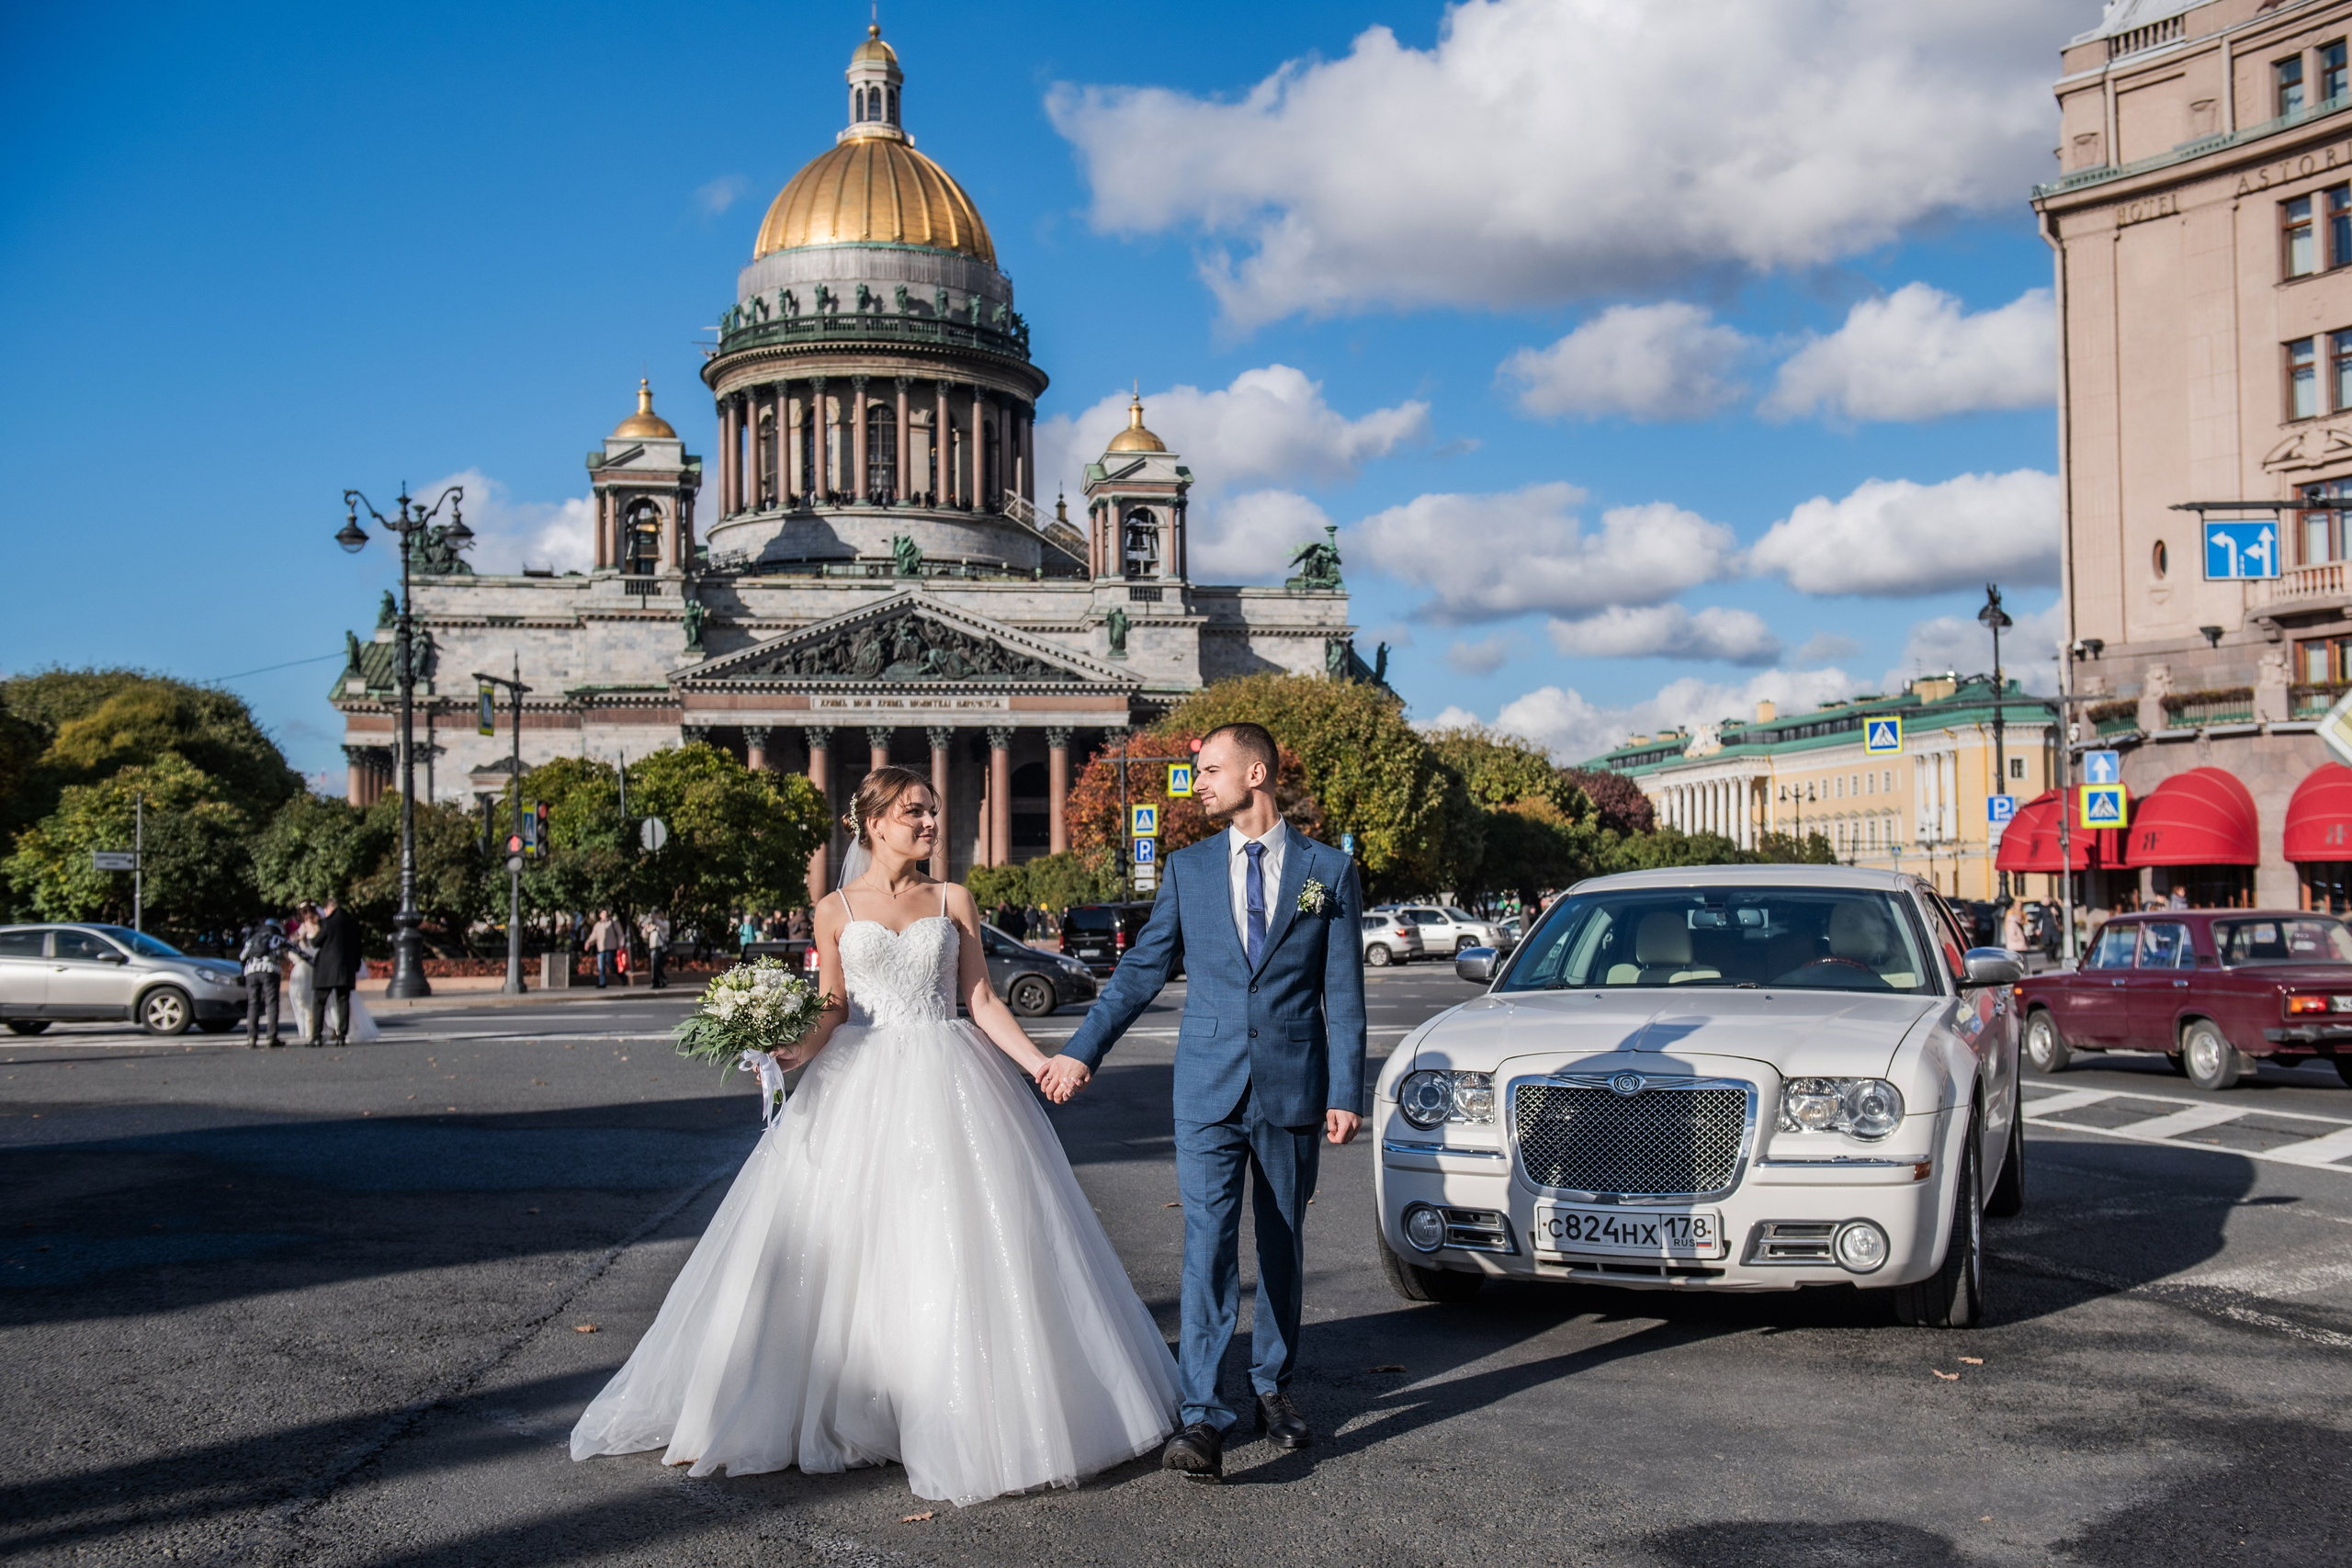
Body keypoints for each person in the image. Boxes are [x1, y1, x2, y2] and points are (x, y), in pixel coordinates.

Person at [571, 765, 1178, 1505]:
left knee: (953, 1242)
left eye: (931, 810)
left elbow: (980, 998)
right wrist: (794, 1048)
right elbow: (832, 1006)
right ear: (874, 822)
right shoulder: (832, 909)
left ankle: (956, 1405)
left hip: (950, 1076)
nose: (929, 822)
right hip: (857, 1082)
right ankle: (867, 1404)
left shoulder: (953, 897)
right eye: (915, 812)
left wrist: (1040, 1064)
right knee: (850, 1248)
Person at [1044, 722, 1365, 1483]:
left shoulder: (1329, 870)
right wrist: (1080, 1049)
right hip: (1207, 1089)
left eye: (1210, 768)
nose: (1198, 781)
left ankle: (1271, 1388)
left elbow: (1343, 994)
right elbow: (1140, 971)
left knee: (1283, 1245)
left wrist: (1346, 1091)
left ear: (1257, 773)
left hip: (1292, 1086)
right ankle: (1202, 1414)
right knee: (1208, 1247)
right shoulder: (1188, 869)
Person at [308, 897, 363, 1047]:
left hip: (326, 969)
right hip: (345, 967)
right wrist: (356, 965)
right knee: (343, 1001)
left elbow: (315, 942)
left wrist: (315, 927)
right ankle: (342, 1036)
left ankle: (317, 1036)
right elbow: (359, 948)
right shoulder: (353, 924)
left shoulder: (328, 923)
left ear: (329, 908)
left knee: (319, 1002)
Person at [239, 918, 289, 1047]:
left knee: (253, 1004)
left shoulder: (253, 938)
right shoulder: (276, 937)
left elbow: (242, 956)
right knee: (271, 1003)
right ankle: (271, 1037)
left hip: (251, 972)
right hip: (270, 971)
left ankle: (251, 1037)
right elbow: (288, 950)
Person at [589, 909, 623, 988]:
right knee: (601, 967)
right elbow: (593, 936)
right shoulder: (598, 925)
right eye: (603, 912)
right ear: (600, 915)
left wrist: (621, 943)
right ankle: (602, 982)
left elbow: (620, 934)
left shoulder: (613, 923)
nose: (605, 914)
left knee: (611, 965)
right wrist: (588, 942)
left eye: (605, 912)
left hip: (611, 947)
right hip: (600, 948)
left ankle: (622, 977)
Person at [641, 908, 672, 989]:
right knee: (654, 965)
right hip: (653, 947)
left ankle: (658, 980)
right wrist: (645, 927)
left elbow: (663, 927)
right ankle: (658, 981)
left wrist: (655, 920)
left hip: (661, 947)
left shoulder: (665, 923)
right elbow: (644, 935)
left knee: (657, 964)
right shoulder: (652, 925)